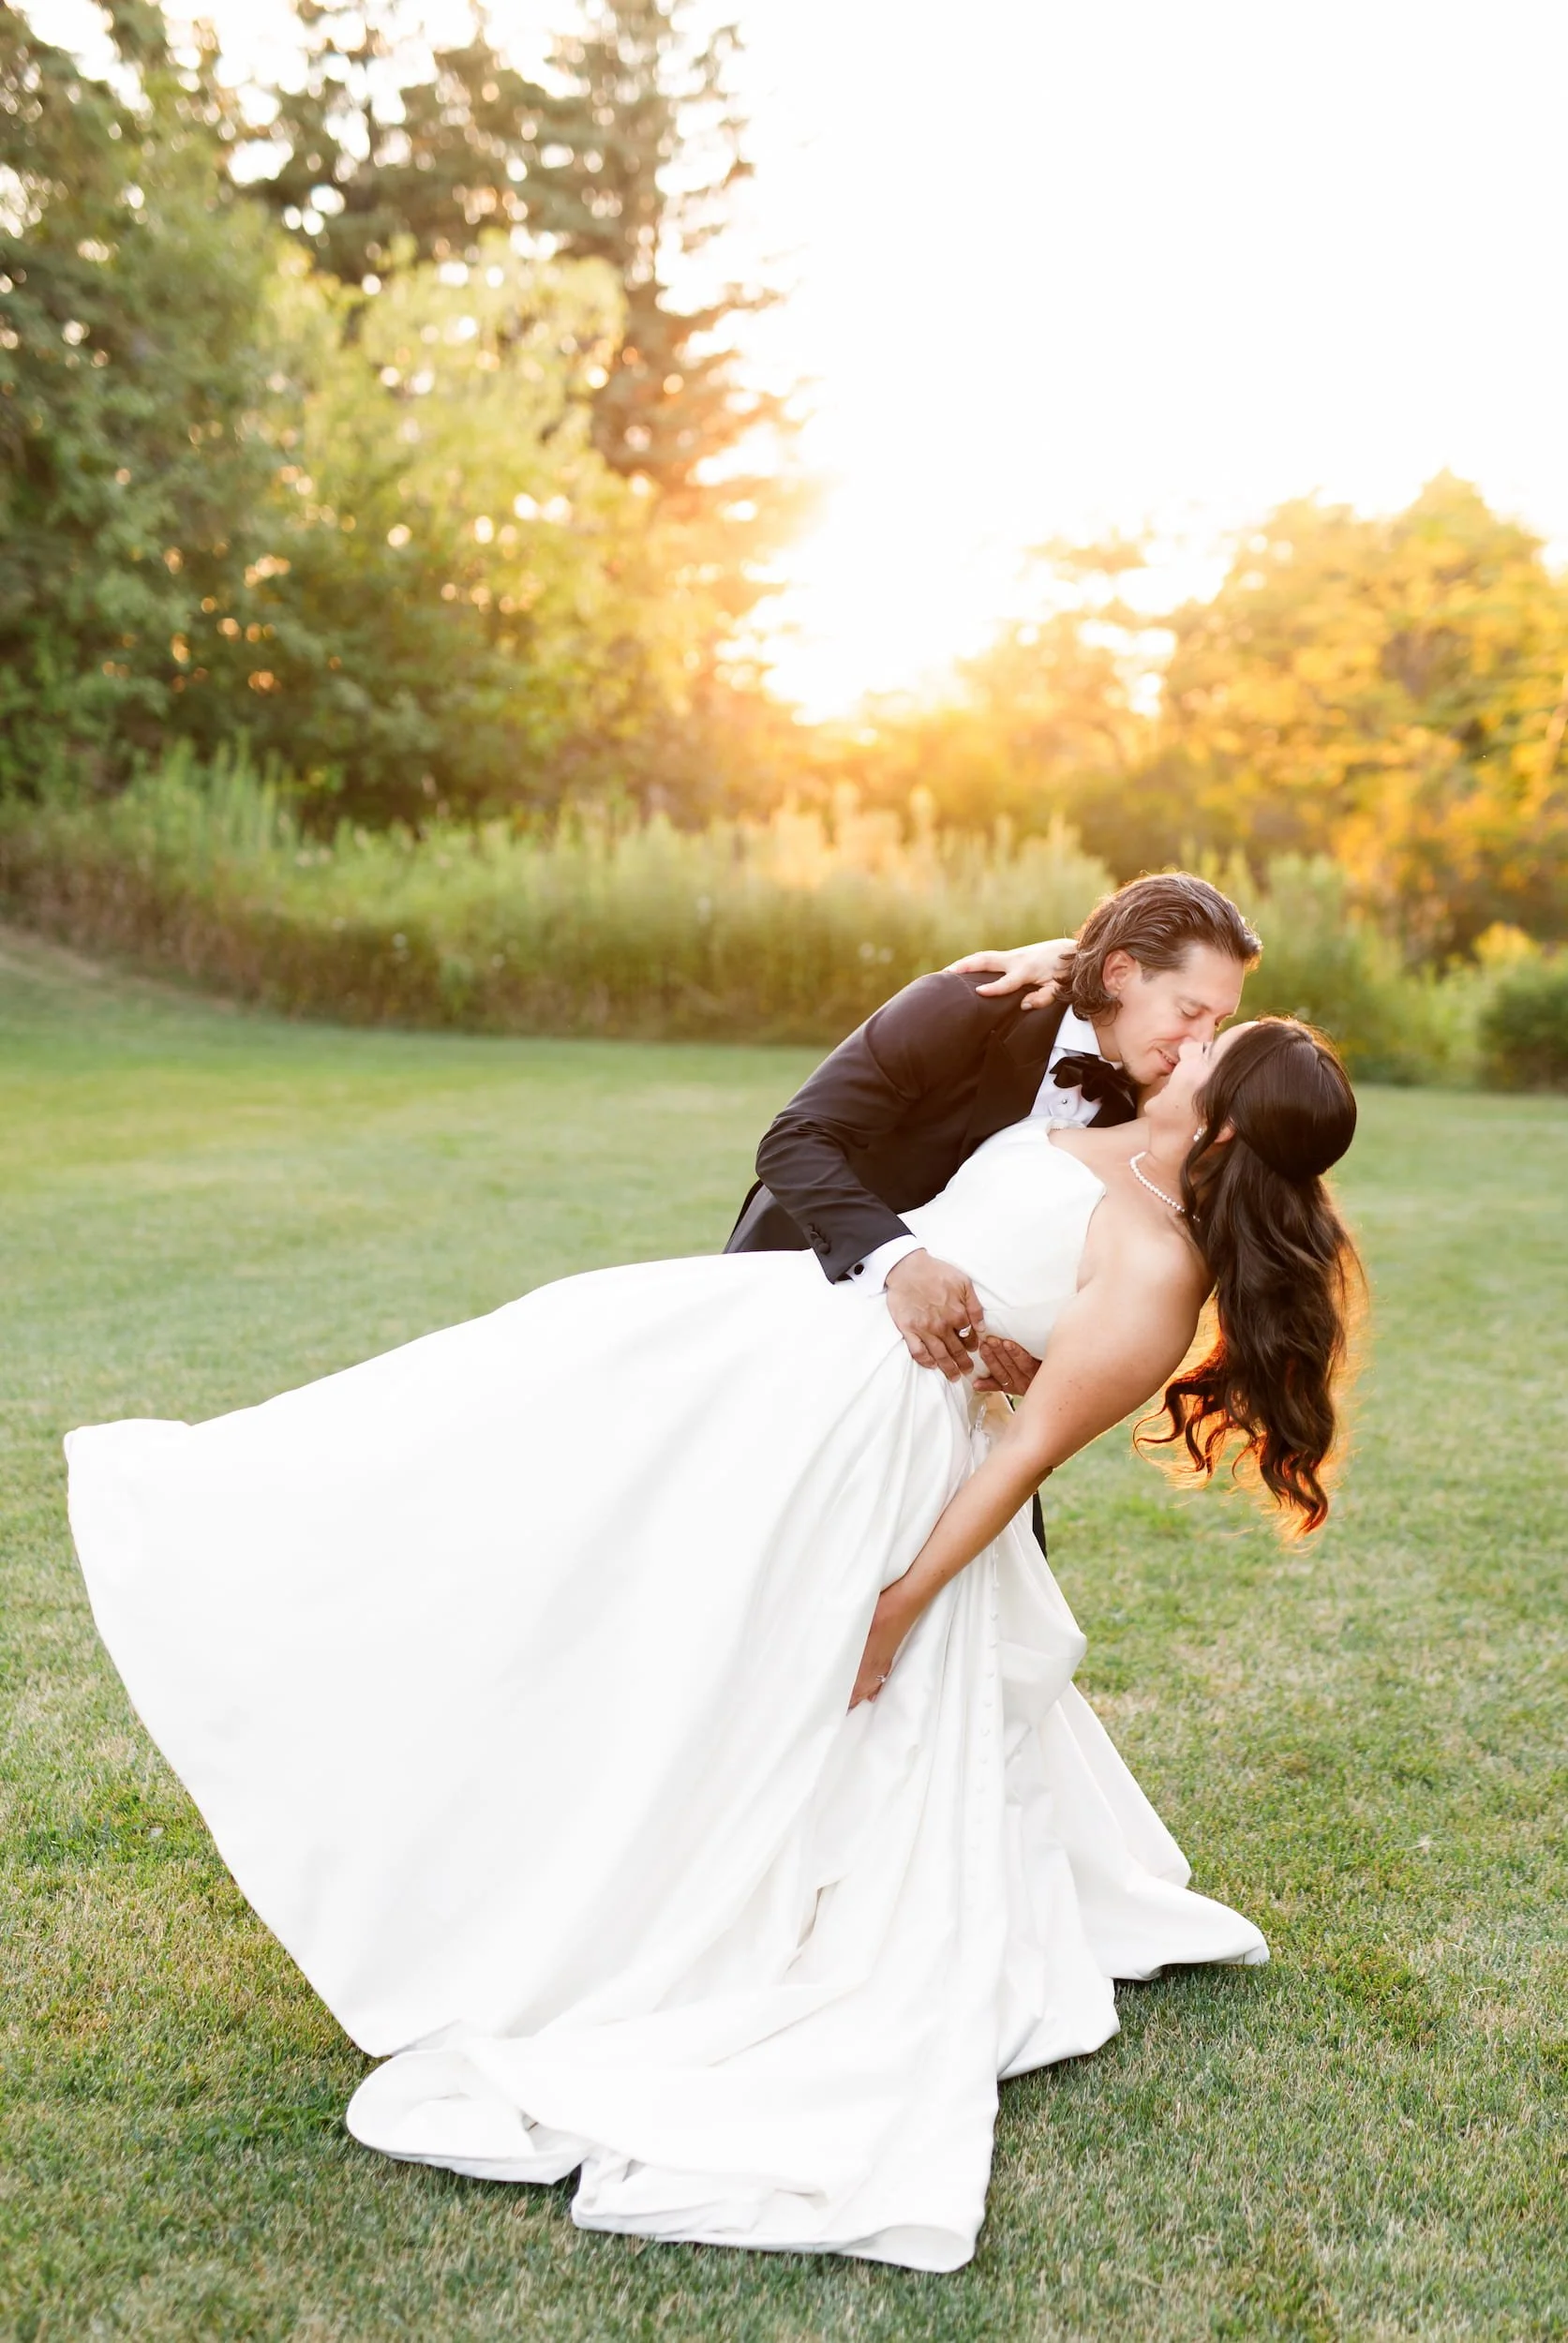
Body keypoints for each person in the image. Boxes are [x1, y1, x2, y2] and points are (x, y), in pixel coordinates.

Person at [65, 1014, 1358, 2274]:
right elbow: (990, 1280)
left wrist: (896, 1606)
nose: (1189, 1040)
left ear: (1231, 1114)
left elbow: (1024, 1454)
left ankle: (619, 1910)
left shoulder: (1161, 1263)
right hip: (777, 1351)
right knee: (526, 1474)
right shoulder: (1105, 1132)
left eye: (1212, 1048)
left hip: (865, 1460)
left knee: (733, 1691)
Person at [725, 870, 1261, 1395]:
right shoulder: (964, 1006)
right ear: (1118, 973)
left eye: (1217, 1022)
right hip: (797, 1285)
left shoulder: (1154, 1108)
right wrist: (901, 1263)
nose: (1198, 1041)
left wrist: (1038, 1355)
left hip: (937, 1372)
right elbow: (795, 1140)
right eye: (1189, 1010)